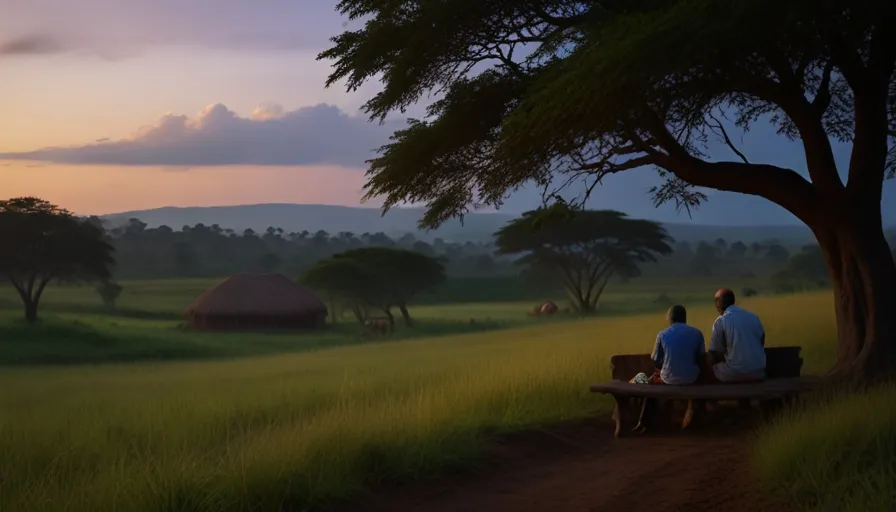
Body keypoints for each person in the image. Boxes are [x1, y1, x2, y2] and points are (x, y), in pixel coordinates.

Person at [632, 304, 705, 433]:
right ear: (684, 318)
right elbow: (701, 359)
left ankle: (644, 423)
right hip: (692, 379)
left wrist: (663, 367)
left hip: (669, 380)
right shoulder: (697, 333)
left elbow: (655, 360)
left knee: (648, 383)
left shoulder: (662, 334)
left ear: (670, 318)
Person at [706, 288, 766, 383]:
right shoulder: (754, 317)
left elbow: (714, 352)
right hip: (758, 372)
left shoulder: (721, 321)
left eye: (716, 301)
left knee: (711, 368)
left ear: (720, 303)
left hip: (734, 374)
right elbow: (762, 341)